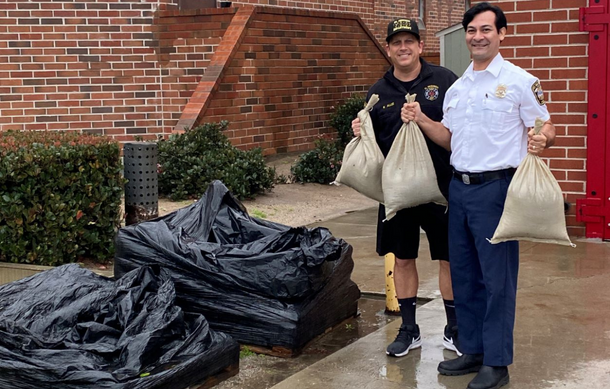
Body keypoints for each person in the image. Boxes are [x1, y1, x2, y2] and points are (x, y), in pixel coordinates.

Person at [401, 3, 556, 388]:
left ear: (501, 34)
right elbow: (450, 140)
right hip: (460, 189)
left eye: (486, 29)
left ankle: (497, 363)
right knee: (465, 274)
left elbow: (546, 125)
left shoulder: (520, 81)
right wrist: (421, 119)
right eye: (471, 30)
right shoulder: (459, 87)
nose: (478, 36)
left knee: (496, 279)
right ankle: (471, 349)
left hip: (497, 190)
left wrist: (542, 139)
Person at [352, 18, 460, 358]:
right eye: (396, 42)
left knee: (449, 258)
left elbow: (460, 133)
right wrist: (359, 131)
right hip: (396, 193)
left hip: (442, 189)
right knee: (402, 258)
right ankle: (409, 329)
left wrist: (423, 120)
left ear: (420, 46)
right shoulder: (377, 91)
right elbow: (373, 144)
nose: (403, 47)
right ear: (388, 49)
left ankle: (454, 328)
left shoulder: (443, 81)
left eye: (409, 41)